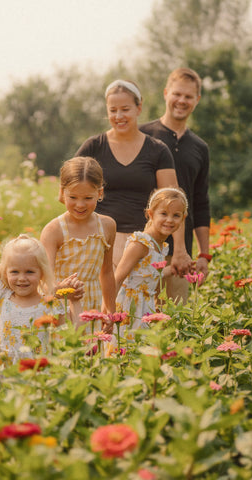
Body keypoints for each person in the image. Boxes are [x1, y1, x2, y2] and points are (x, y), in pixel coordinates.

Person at [75, 79, 191, 275]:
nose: (118, 116)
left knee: (140, 302)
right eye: (113, 110)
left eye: (125, 109)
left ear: (139, 108)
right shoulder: (93, 147)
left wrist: (179, 249)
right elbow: (68, 194)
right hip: (100, 243)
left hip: (144, 244)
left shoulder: (157, 150)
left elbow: (174, 202)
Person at [0, 234, 83, 399]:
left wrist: (74, 302)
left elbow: (73, 335)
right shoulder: (3, 294)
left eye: (30, 271)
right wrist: (7, 269)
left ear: (42, 273)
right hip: (1, 369)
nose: (21, 278)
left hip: (34, 373)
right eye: (15, 272)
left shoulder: (50, 304)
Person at [140, 68, 210, 303]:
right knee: (138, 319)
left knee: (176, 321)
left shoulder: (200, 148)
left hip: (181, 255)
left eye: (189, 97)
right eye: (177, 94)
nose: (182, 101)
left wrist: (204, 254)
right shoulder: (143, 136)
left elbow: (200, 202)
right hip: (143, 249)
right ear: (166, 93)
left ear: (197, 100)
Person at [40, 156, 116, 323]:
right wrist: (63, 290)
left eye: (88, 198)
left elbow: (107, 272)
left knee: (92, 349)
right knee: (67, 348)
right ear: (62, 192)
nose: (80, 205)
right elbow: (45, 282)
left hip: (93, 305)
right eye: (73, 197)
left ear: (100, 193)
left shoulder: (107, 226)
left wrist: (110, 310)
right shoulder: (54, 230)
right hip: (62, 307)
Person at [114, 187, 188, 340]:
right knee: (124, 346)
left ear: (183, 218)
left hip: (145, 306)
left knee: (141, 350)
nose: (169, 220)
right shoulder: (141, 243)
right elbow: (118, 277)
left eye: (176, 215)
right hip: (129, 305)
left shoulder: (160, 245)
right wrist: (108, 310)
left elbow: (148, 274)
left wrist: (171, 270)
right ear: (150, 214)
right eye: (163, 214)